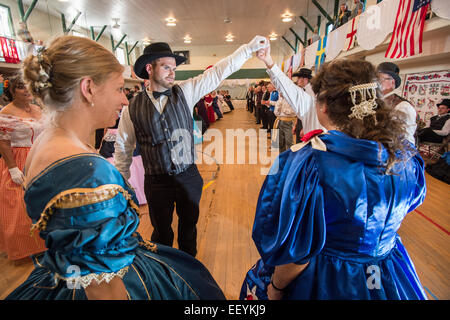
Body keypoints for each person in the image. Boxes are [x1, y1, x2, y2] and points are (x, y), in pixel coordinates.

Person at [6, 35, 225, 300]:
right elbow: (103, 287)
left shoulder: (44, 142)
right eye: (119, 89)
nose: (124, 101)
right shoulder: (86, 170)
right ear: (88, 88)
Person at [240, 53, 427, 300]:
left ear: (324, 106)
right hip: (387, 269)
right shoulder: (406, 157)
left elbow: (296, 250)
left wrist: (277, 287)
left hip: (328, 277)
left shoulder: (310, 163)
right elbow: (411, 201)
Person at [114, 36, 269, 258]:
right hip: (156, 182)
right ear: (149, 68)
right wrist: (120, 188)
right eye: (166, 67)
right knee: (161, 235)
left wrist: (248, 49)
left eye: (174, 68)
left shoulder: (186, 91)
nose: (172, 73)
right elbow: (123, 150)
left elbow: (217, 72)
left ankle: (191, 274)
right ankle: (166, 276)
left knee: (189, 231)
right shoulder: (132, 108)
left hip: (188, 176)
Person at [0, 75, 47, 261]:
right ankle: (25, 247)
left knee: (44, 199)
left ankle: (45, 242)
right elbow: (3, 143)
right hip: (18, 158)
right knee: (19, 204)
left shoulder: (38, 109)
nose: (26, 90)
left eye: (28, 85)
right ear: (12, 91)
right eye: (20, 87)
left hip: (40, 156)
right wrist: (12, 168)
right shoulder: (6, 112)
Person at [377, 62, 417, 145]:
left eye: (380, 79)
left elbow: (406, 139)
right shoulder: (376, 102)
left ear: (392, 82)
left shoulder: (403, 106)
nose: (376, 83)